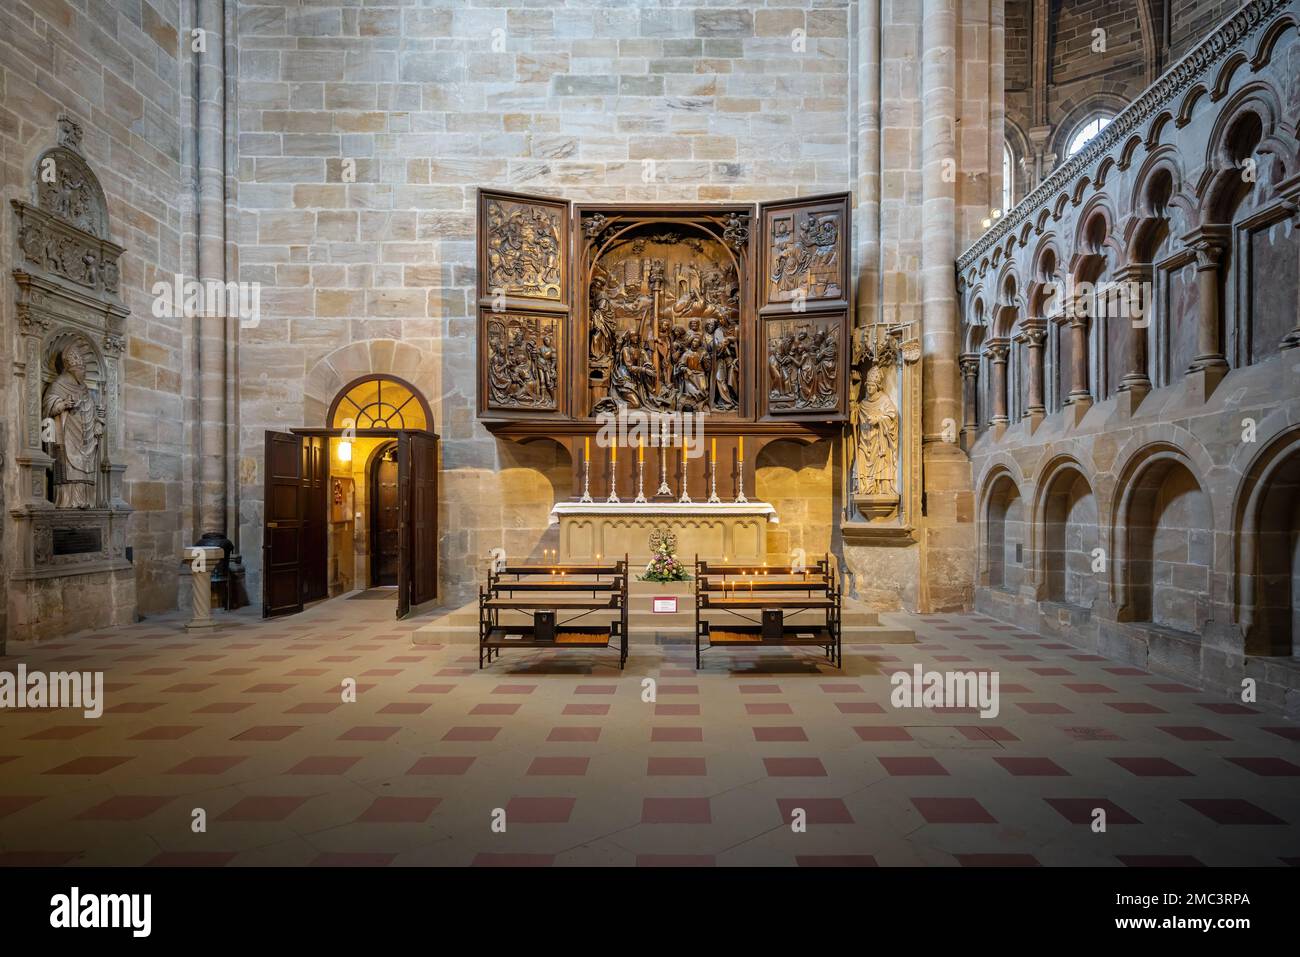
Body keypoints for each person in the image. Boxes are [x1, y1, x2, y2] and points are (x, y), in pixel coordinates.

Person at [42, 345, 104, 508]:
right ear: (71, 368)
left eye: (84, 368)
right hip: (66, 434)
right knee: (69, 467)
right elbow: (47, 407)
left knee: (85, 467)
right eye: (81, 369)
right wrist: (62, 404)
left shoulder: (84, 389)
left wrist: (98, 420)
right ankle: (68, 501)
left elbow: (90, 407)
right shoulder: (58, 384)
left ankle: (85, 501)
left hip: (85, 436)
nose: (84, 373)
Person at [853, 366, 898, 496]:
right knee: (860, 459)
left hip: (879, 442)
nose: (869, 388)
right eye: (868, 386)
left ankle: (881, 487)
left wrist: (878, 419)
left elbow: (892, 416)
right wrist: (852, 410)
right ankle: (862, 487)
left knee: (881, 462)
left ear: (877, 386)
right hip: (865, 440)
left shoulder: (884, 401)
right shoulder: (863, 403)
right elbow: (856, 418)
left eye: (872, 386)